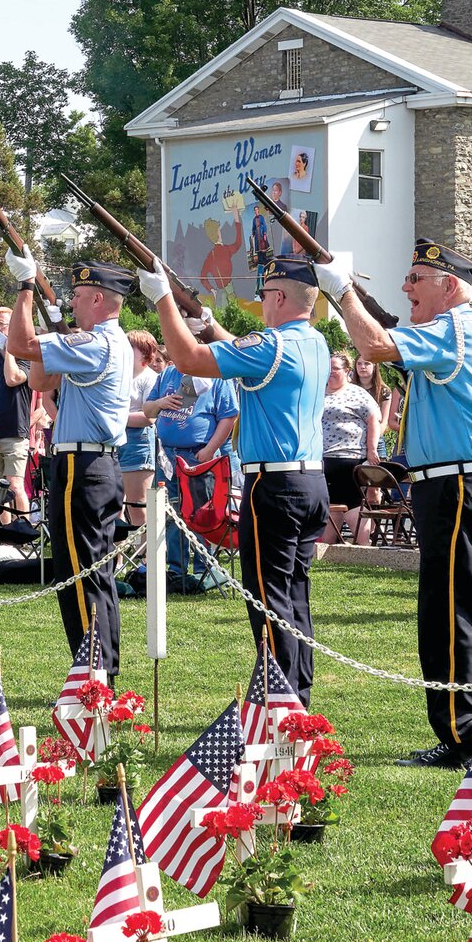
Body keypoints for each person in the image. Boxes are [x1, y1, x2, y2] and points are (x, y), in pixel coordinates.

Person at [331, 239, 472, 768]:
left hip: (459, 486)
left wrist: (339, 288)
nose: (405, 288)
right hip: (446, 486)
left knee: (450, 613)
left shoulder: (457, 327)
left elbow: (378, 346)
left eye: (416, 279)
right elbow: (384, 331)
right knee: (441, 611)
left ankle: (467, 737)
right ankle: (460, 731)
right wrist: (345, 293)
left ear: (448, 285)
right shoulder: (449, 330)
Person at [149, 256, 329, 707]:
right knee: (294, 595)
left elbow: (190, 358)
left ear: (281, 297)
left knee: (269, 598)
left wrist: (163, 300)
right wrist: (209, 325)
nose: (261, 303)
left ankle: (276, 696)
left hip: (274, 486)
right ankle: (297, 691)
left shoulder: (270, 344)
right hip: (310, 482)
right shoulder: (314, 343)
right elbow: (250, 355)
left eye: (265, 294)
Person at [7, 255, 134, 678]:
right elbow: (40, 382)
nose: (72, 304)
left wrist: (26, 287)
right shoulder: (99, 342)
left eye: (78, 297)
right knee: (92, 571)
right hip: (94, 463)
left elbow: (18, 347)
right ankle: (101, 668)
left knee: (79, 573)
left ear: (98, 298)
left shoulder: (97, 343)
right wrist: (52, 333)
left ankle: (91, 673)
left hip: (83, 465)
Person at [143, 353, 238, 588]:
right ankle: (176, 569)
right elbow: (147, 410)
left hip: (199, 455)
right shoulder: (167, 374)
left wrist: (209, 449)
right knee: (172, 513)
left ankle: (202, 568)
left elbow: (229, 417)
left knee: (200, 514)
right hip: (167, 456)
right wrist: (159, 404)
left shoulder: (215, 378)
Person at [320, 351, 382, 545]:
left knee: (353, 502)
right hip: (323, 458)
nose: (331, 372)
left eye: (335, 369)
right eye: (328, 369)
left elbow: (374, 418)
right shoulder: (319, 391)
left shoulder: (356, 393)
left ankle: (364, 547)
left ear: (347, 371)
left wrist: (372, 450)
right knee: (331, 504)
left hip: (350, 457)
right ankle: (329, 547)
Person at [0, 307, 33, 527]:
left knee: (15, 485)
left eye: (2, 324)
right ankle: (5, 535)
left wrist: (9, 347)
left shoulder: (25, 355)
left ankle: (24, 533)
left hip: (15, 431)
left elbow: (13, 378)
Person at [120, 330, 160, 532]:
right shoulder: (118, 375)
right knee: (114, 506)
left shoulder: (150, 378)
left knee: (137, 506)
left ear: (145, 353)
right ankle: (116, 561)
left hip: (138, 443)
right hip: (116, 441)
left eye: (130, 347)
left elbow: (149, 417)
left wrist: (116, 417)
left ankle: (145, 557)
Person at [354, 356, 393, 442]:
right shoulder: (349, 389)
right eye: (359, 364)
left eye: (367, 363)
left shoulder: (384, 391)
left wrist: (373, 439)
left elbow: (384, 421)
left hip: (376, 439)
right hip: (353, 439)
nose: (362, 367)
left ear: (374, 366)